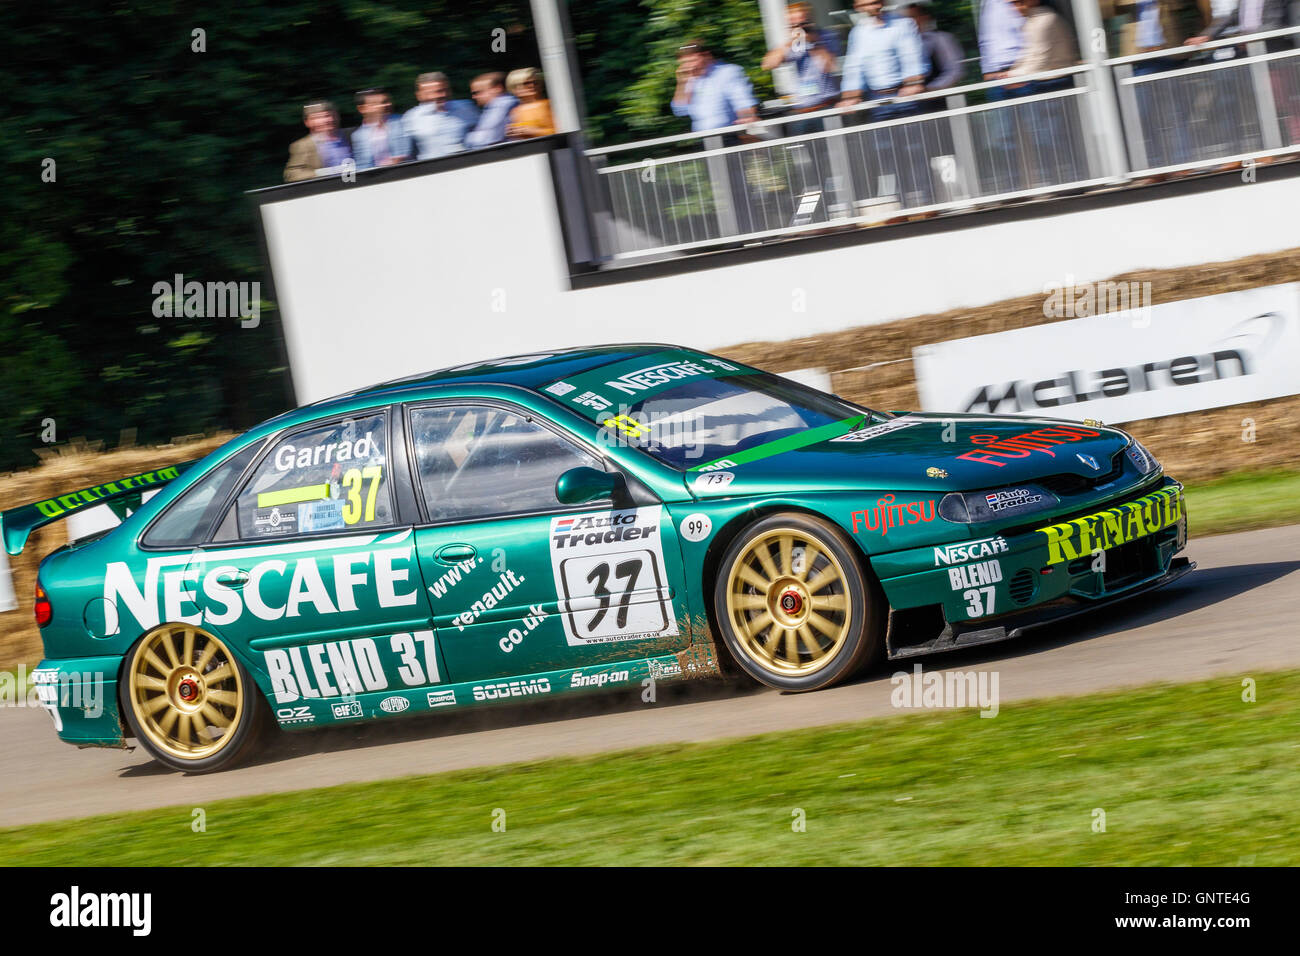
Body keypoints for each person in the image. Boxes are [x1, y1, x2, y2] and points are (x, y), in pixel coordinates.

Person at [838, 0, 926, 113]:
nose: (873, 7)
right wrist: (849, 98)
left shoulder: (903, 24)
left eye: (875, 2)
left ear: (882, 3)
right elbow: (854, 67)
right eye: (866, 4)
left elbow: (911, 57)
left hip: (906, 96)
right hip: (876, 101)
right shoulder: (857, 33)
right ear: (857, 7)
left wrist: (913, 84)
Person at [762, 2, 842, 112]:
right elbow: (768, 64)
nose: (800, 28)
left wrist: (814, 41)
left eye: (803, 24)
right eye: (794, 25)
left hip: (827, 104)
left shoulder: (827, 36)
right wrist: (790, 42)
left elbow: (829, 66)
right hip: (803, 106)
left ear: (811, 20)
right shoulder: (795, 43)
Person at [671, 39, 759, 132]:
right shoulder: (691, 79)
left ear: (707, 55)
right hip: (703, 138)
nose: (689, 66)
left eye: (693, 60)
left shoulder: (727, 72)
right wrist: (682, 83)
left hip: (729, 135)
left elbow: (743, 103)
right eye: (685, 63)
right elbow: (680, 111)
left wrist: (747, 130)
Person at [404, 72, 478, 160]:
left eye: (445, 90)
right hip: (433, 169)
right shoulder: (411, 118)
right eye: (437, 92)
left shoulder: (466, 107)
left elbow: (482, 136)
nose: (443, 95)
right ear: (420, 95)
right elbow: (408, 154)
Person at [904, 3, 966, 95]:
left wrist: (931, 89)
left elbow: (955, 70)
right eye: (907, 18)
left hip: (939, 97)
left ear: (925, 17)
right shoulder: (905, 44)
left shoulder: (941, 39)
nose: (909, 21)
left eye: (913, 16)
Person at [283, 101, 352, 182]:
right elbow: (291, 174)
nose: (326, 120)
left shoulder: (351, 134)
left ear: (337, 116)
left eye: (328, 115)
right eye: (318, 117)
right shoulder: (303, 145)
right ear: (307, 122)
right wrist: (323, 173)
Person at [351, 88, 411, 169]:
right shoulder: (358, 136)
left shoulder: (399, 122)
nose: (383, 106)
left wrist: (389, 163)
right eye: (375, 103)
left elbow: (404, 153)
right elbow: (361, 165)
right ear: (362, 109)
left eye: (385, 102)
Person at [465, 72, 519, 148]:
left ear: (497, 89)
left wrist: (469, 138)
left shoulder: (502, 104)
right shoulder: (493, 107)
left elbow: (487, 139)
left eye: (477, 92)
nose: (473, 97)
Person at [504, 68, 556, 139]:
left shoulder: (547, 105)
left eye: (535, 82)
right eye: (526, 83)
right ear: (515, 87)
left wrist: (533, 131)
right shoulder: (516, 111)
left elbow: (560, 132)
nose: (532, 85)